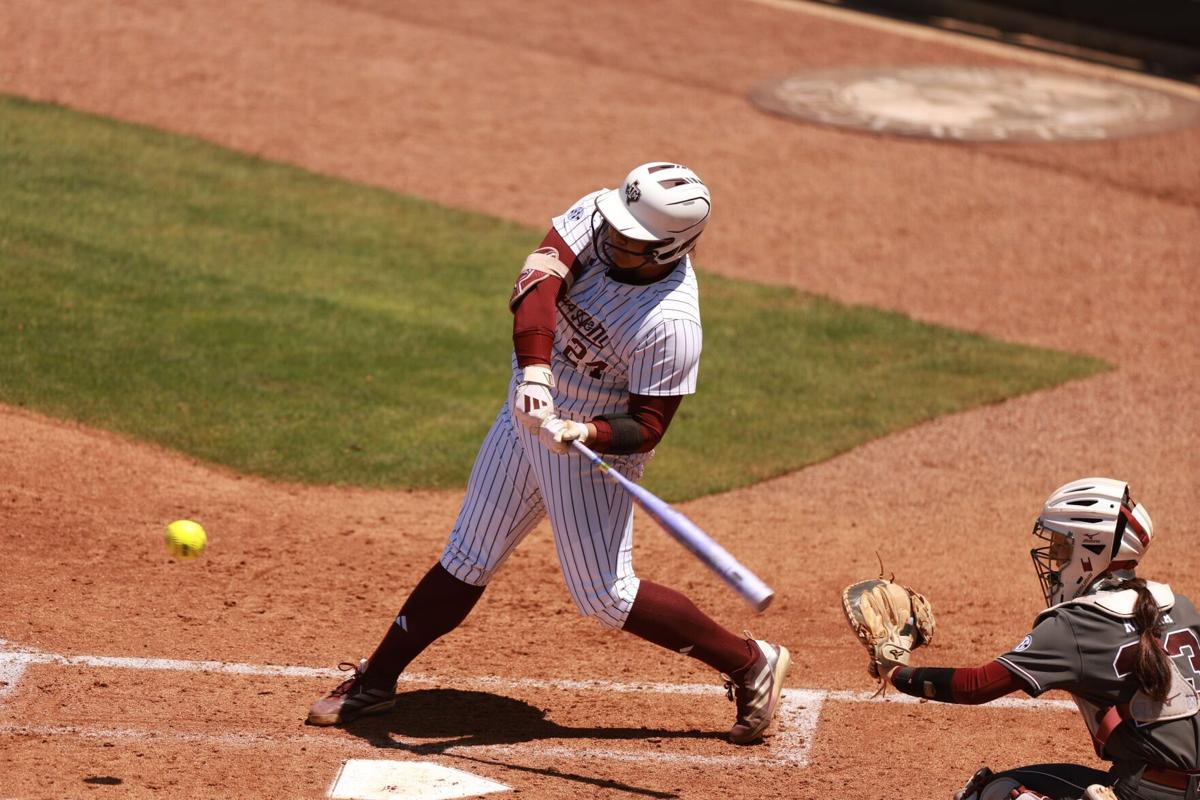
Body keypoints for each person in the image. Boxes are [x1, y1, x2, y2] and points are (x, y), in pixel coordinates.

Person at [307, 161, 790, 745]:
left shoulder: (671, 324)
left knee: (606, 596)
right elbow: (536, 285)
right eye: (612, 227)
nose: (610, 239)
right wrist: (536, 375)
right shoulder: (603, 217)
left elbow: (648, 425)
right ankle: (377, 681)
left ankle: (749, 662)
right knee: (467, 554)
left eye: (630, 241)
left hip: (586, 446)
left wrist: (584, 432)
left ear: (669, 249)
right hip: (529, 406)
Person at [881, 477, 1199, 800]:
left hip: (1145, 793)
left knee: (994, 792)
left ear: (1092, 547)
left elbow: (974, 685)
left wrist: (894, 672)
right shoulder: (1183, 606)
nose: (1055, 562)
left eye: (1063, 547)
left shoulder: (1075, 625)